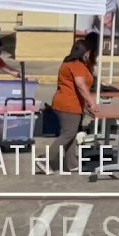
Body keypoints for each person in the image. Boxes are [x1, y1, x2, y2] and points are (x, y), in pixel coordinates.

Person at [41, 36, 98, 175]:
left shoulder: (71, 63)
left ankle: (72, 164)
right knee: (68, 134)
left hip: (69, 104)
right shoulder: (76, 65)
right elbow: (80, 85)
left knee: (71, 134)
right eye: (88, 52)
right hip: (69, 105)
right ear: (84, 52)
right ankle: (44, 160)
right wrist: (91, 102)